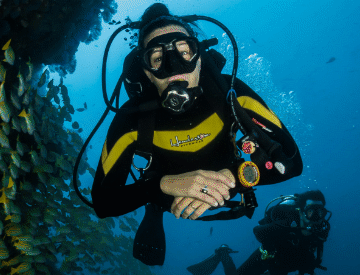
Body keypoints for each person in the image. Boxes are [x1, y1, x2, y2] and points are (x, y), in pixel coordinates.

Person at [90, 3, 303, 265]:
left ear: (199, 57)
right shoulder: (131, 119)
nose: (173, 67)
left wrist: (236, 177)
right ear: (146, 71)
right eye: (157, 59)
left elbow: (293, 162)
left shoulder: (232, 94)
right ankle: (154, 209)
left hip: (231, 180)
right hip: (165, 195)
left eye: (184, 51)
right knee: (154, 199)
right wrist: (161, 186)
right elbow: (103, 202)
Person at [187, 190, 331, 275]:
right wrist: (285, 231)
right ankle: (223, 252)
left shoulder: (320, 231)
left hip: (285, 266)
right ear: (301, 211)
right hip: (267, 258)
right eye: (311, 212)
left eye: (321, 212)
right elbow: (258, 231)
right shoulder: (285, 220)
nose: (317, 218)